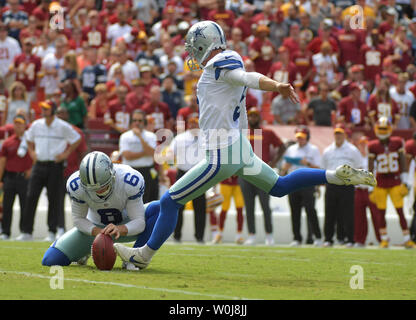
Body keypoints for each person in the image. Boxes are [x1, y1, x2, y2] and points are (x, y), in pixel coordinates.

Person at [114, 21, 376, 269]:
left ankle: (142, 257)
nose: (192, 52)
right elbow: (241, 84)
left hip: (222, 153)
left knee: (170, 202)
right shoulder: (223, 62)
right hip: (239, 148)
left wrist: (275, 86)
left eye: (195, 47)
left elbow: (247, 77)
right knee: (279, 186)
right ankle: (335, 176)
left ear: (206, 44)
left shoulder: (219, 62)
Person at [41, 151, 160, 271]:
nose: (98, 192)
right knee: (51, 259)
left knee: (157, 209)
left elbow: (139, 222)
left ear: (112, 175)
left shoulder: (129, 179)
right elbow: (78, 219)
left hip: (126, 225)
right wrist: (98, 233)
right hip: (95, 229)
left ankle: (134, 259)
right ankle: (86, 251)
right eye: (92, 189)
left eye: (103, 187)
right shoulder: (75, 184)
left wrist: (120, 229)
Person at [16, 100, 81, 242]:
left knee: (53, 199)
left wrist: (65, 154)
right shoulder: (36, 125)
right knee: (31, 196)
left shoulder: (63, 126)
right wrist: (32, 152)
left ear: (53, 110)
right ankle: (26, 232)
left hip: (55, 166)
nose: (43, 111)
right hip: (38, 165)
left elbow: (77, 139)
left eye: (46, 108)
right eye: (43, 108)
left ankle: (52, 231)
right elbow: (28, 138)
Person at [368, 117, 416, 248]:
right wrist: (370, 187)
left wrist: (405, 181)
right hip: (381, 183)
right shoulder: (372, 146)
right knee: (381, 213)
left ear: (389, 129)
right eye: (381, 129)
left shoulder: (397, 142)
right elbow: (370, 168)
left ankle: (407, 239)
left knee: (400, 211)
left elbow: (403, 163)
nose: (383, 132)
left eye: (385, 129)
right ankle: (384, 238)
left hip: (395, 181)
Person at [241, 107, 286, 246]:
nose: (253, 118)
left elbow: (282, 146)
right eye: (251, 116)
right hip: (245, 173)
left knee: (265, 206)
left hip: (261, 173)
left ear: (259, 118)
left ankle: (269, 235)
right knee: (249, 206)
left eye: (255, 116)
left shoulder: (267, 132)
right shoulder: (242, 133)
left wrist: (273, 163)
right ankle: (251, 234)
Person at [321, 124, 363, 247]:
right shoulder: (328, 150)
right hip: (331, 184)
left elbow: (359, 167)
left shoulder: (352, 150)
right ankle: (328, 239)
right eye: (336, 133)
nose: (338, 136)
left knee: (348, 213)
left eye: (340, 133)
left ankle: (349, 239)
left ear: (345, 135)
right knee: (329, 212)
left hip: (347, 184)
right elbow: (323, 168)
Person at [282, 126, 323, 247]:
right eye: (298, 137)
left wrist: (308, 163)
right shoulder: (291, 149)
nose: (300, 140)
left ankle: (317, 236)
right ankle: (297, 238)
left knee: (310, 210)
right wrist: (286, 167)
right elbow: (284, 168)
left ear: (307, 138)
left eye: (303, 138)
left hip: (308, 182)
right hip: (293, 182)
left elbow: (319, 168)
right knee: (295, 211)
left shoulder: (313, 149)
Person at [169, 116, 206, 243]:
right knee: (179, 206)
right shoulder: (180, 138)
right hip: (183, 173)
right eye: (191, 123)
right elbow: (170, 153)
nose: (193, 125)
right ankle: (177, 235)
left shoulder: (207, 137)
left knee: (200, 206)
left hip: (199, 173)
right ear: (188, 124)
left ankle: (200, 237)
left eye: (196, 123)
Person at [55, 106, 88, 239]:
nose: (61, 116)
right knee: (57, 202)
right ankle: (60, 228)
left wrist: (81, 171)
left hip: (72, 172)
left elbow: (82, 152)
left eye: (63, 113)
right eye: (59, 113)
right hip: (56, 172)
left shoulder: (76, 132)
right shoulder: (53, 132)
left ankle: (80, 228)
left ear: (68, 115)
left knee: (77, 203)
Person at [0, 115, 32, 240]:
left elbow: (37, 155)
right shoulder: (8, 142)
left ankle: (24, 232)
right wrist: (0, 179)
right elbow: (2, 162)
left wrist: (32, 169)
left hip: (24, 177)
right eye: (16, 123)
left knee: (25, 206)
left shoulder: (30, 141)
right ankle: (5, 232)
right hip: (10, 177)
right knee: (7, 206)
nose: (18, 126)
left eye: (20, 123)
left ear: (25, 125)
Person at [119, 110, 159, 204]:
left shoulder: (151, 136)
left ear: (144, 122)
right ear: (131, 122)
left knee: (145, 201)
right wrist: (144, 152)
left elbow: (152, 153)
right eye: (135, 120)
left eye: (140, 121)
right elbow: (127, 156)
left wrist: (140, 137)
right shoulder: (125, 136)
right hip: (129, 171)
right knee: (128, 201)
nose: (137, 123)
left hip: (146, 172)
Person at [353, 135, 381, 247]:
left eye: (365, 143)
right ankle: (360, 240)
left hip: (372, 190)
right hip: (359, 189)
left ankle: (381, 238)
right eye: (361, 144)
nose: (363, 146)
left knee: (377, 215)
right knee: (359, 217)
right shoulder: (356, 158)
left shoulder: (374, 158)